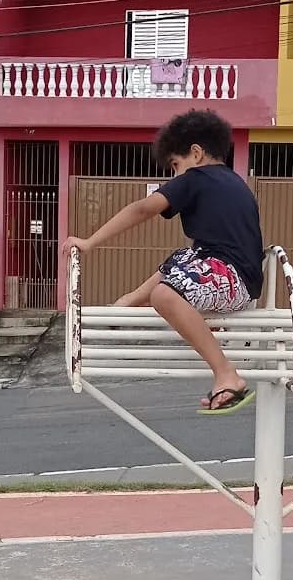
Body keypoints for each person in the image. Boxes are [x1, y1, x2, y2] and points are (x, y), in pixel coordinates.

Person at [61, 110, 263, 414]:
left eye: (175, 165)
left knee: (165, 294)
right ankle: (129, 300)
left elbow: (143, 209)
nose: (174, 176)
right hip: (237, 277)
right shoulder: (235, 183)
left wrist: (89, 242)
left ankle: (226, 374)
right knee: (182, 257)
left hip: (231, 279)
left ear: (195, 154)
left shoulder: (196, 177)